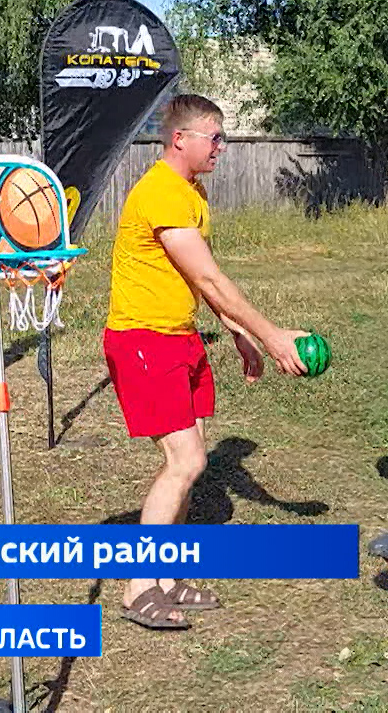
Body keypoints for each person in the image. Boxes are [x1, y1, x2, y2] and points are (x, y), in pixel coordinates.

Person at [102, 94, 309, 631]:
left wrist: (237, 334)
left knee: (190, 463)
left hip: (180, 336)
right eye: (213, 138)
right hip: (143, 339)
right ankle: (138, 588)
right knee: (186, 461)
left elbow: (199, 281)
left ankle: (167, 578)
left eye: (222, 138)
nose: (221, 147)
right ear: (181, 140)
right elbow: (214, 279)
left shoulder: (190, 192)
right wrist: (272, 336)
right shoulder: (162, 194)